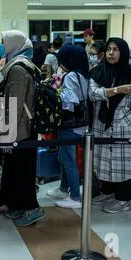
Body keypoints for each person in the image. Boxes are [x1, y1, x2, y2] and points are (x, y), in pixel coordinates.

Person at [0, 30, 45, 226]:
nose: (1, 45)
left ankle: (33, 208)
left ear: (13, 44)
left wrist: (6, 134)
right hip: (25, 126)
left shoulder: (17, 68)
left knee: (23, 170)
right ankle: (17, 204)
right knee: (18, 168)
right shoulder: (25, 64)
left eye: (3, 42)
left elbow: (14, 106)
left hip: (20, 128)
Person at [89, 38, 131, 213]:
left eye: (116, 49)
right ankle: (108, 191)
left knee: (122, 162)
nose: (111, 53)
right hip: (102, 124)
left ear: (123, 53)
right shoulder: (97, 72)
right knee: (104, 160)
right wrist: (119, 90)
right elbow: (93, 94)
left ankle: (123, 199)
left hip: (124, 124)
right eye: (109, 49)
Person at [46, 44, 89, 209]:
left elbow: (69, 101)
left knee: (68, 159)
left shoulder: (70, 76)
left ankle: (75, 197)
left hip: (69, 124)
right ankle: (63, 188)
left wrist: (56, 95)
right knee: (64, 157)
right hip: (79, 124)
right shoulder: (83, 75)